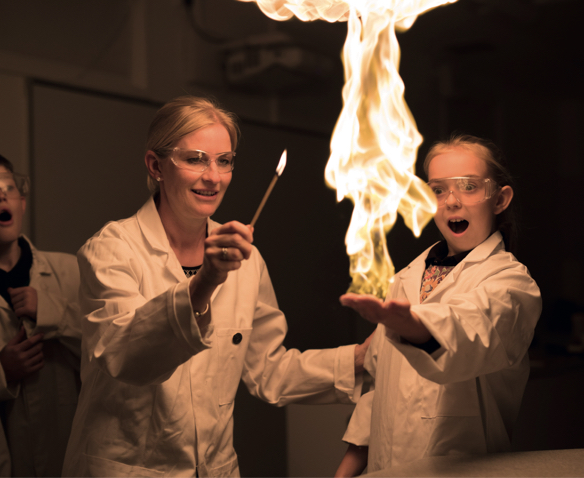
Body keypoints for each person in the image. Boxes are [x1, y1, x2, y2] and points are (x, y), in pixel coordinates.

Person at [62, 96, 369, 477]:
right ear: (156, 166)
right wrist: (205, 281)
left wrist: (359, 358)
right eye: (195, 159)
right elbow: (126, 357)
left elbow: (269, 371)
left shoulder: (246, 261)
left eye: (224, 161)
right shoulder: (111, 252)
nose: (214, 176)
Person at [335, 134, 542, 476]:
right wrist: (345, 471)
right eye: (438, 190)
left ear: (500, 199)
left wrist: (415, 327)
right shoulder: (405, 279)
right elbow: (381, 393)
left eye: (469, 187)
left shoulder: (511, 285)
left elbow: (470, 333)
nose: (452, 201)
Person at [0, 154, 81, 477]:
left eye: (8, 186)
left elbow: (113, 353)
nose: (1, 195)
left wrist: (54, 313)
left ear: (22, 201)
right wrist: (2, 371)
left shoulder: (72, 272)